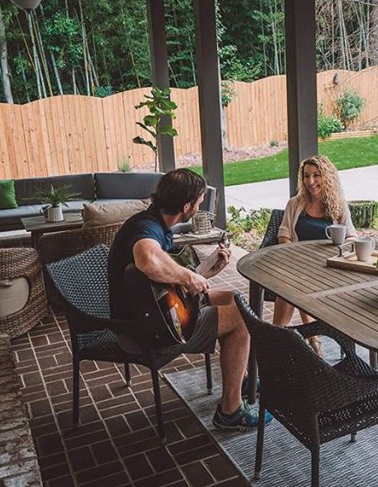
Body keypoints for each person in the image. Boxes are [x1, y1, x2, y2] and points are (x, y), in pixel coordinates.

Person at [107, 168, 269, 430]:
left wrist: (204, 272)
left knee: (235, 299)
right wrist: (189, 277)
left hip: (155, 313)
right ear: (186, 206)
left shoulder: (157, 223)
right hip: (146, 331)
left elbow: (162, 285)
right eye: (199, 202)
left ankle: (242, 378)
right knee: (240, 319)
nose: (200, 207)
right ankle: (231, 411)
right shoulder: (146, 227)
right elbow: (147, 260)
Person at [274, 156, 356, 342]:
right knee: (291, 286)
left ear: (327, 176)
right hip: (298, 265)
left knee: (295, 287)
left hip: (328, 268)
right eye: (306, 176)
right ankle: (283, 337)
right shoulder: (295, 204)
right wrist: (296, 257)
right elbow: (284, 236)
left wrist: (337, 252)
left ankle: (281, 339)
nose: (310, 182)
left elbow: (351, 236)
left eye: (316, 175)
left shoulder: (338, 205)